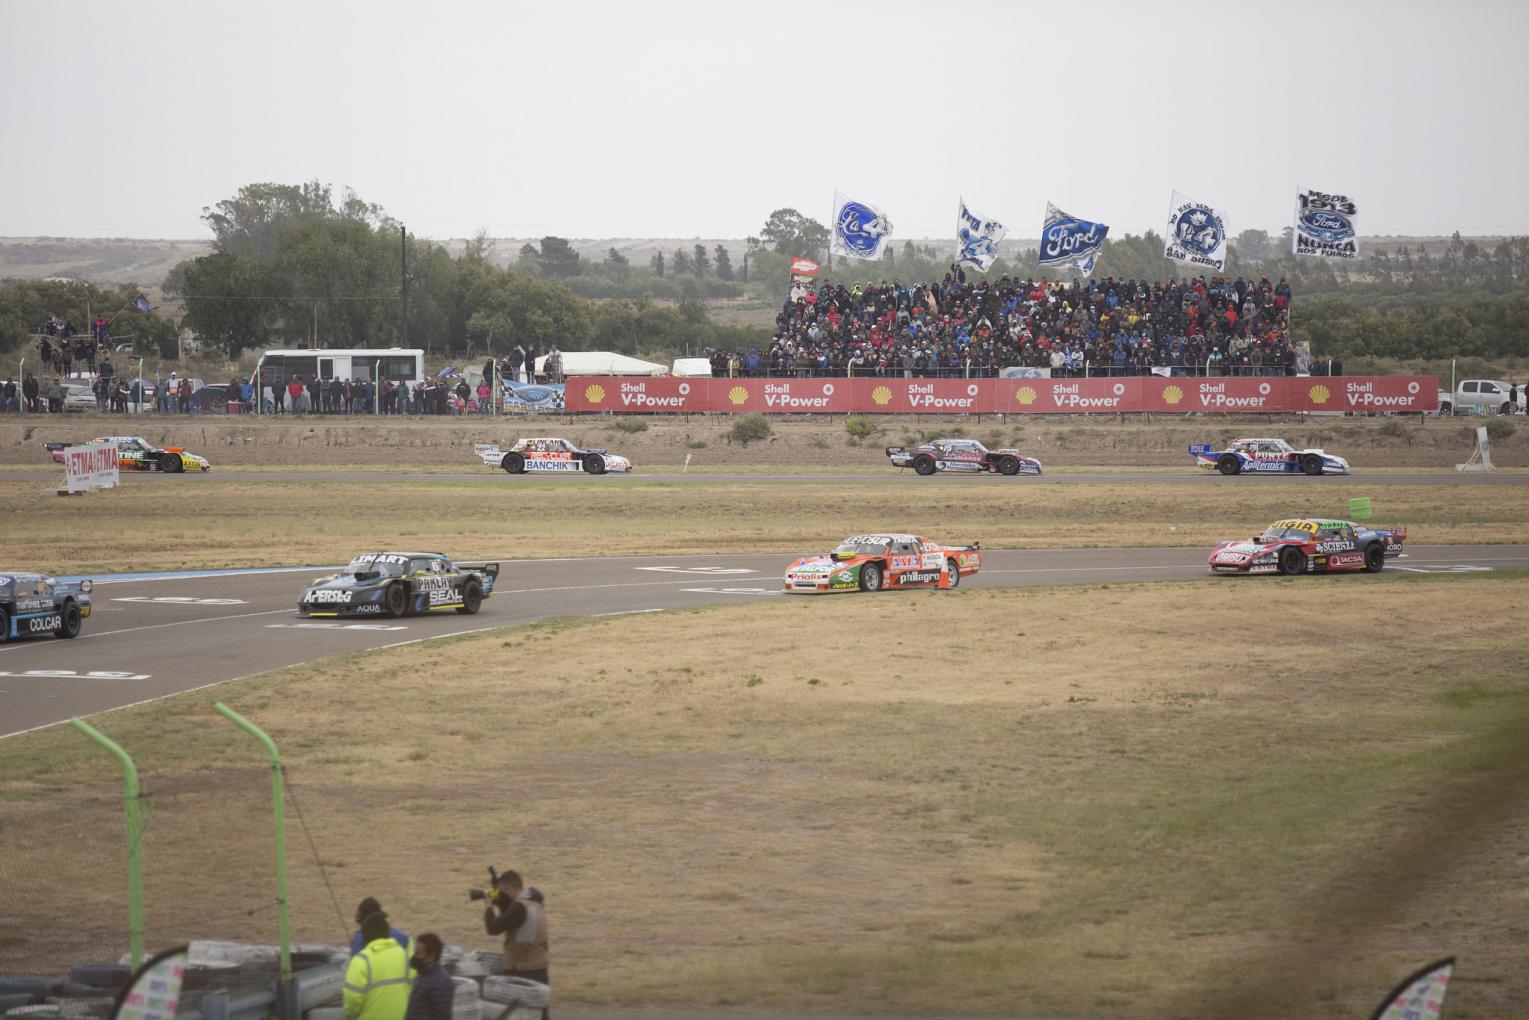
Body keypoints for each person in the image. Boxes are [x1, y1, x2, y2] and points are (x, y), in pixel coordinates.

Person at [482, 869, 549, 1017]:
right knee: (539, 1013)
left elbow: (493, 928)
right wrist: (500, 900)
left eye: (500, 892)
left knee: (517, 1015)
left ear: (507, 889)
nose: (499, 895)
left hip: (521, 970)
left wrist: (488, 906)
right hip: (539, 966)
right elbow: (513, 920)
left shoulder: (519, 907)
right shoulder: (535, 901)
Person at [344, 911, 411, 1020]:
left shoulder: (361, 960)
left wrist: (352, 1014)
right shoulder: (402, 954)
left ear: (365, 936)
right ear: (387, 932)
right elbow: (412, 985)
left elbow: (352, 999)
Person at [404, 933, 452, 1020]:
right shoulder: (422, 975)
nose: (414, 957)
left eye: (418, 954)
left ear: (431, 957)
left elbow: (443, 1015)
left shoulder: (440, 981)